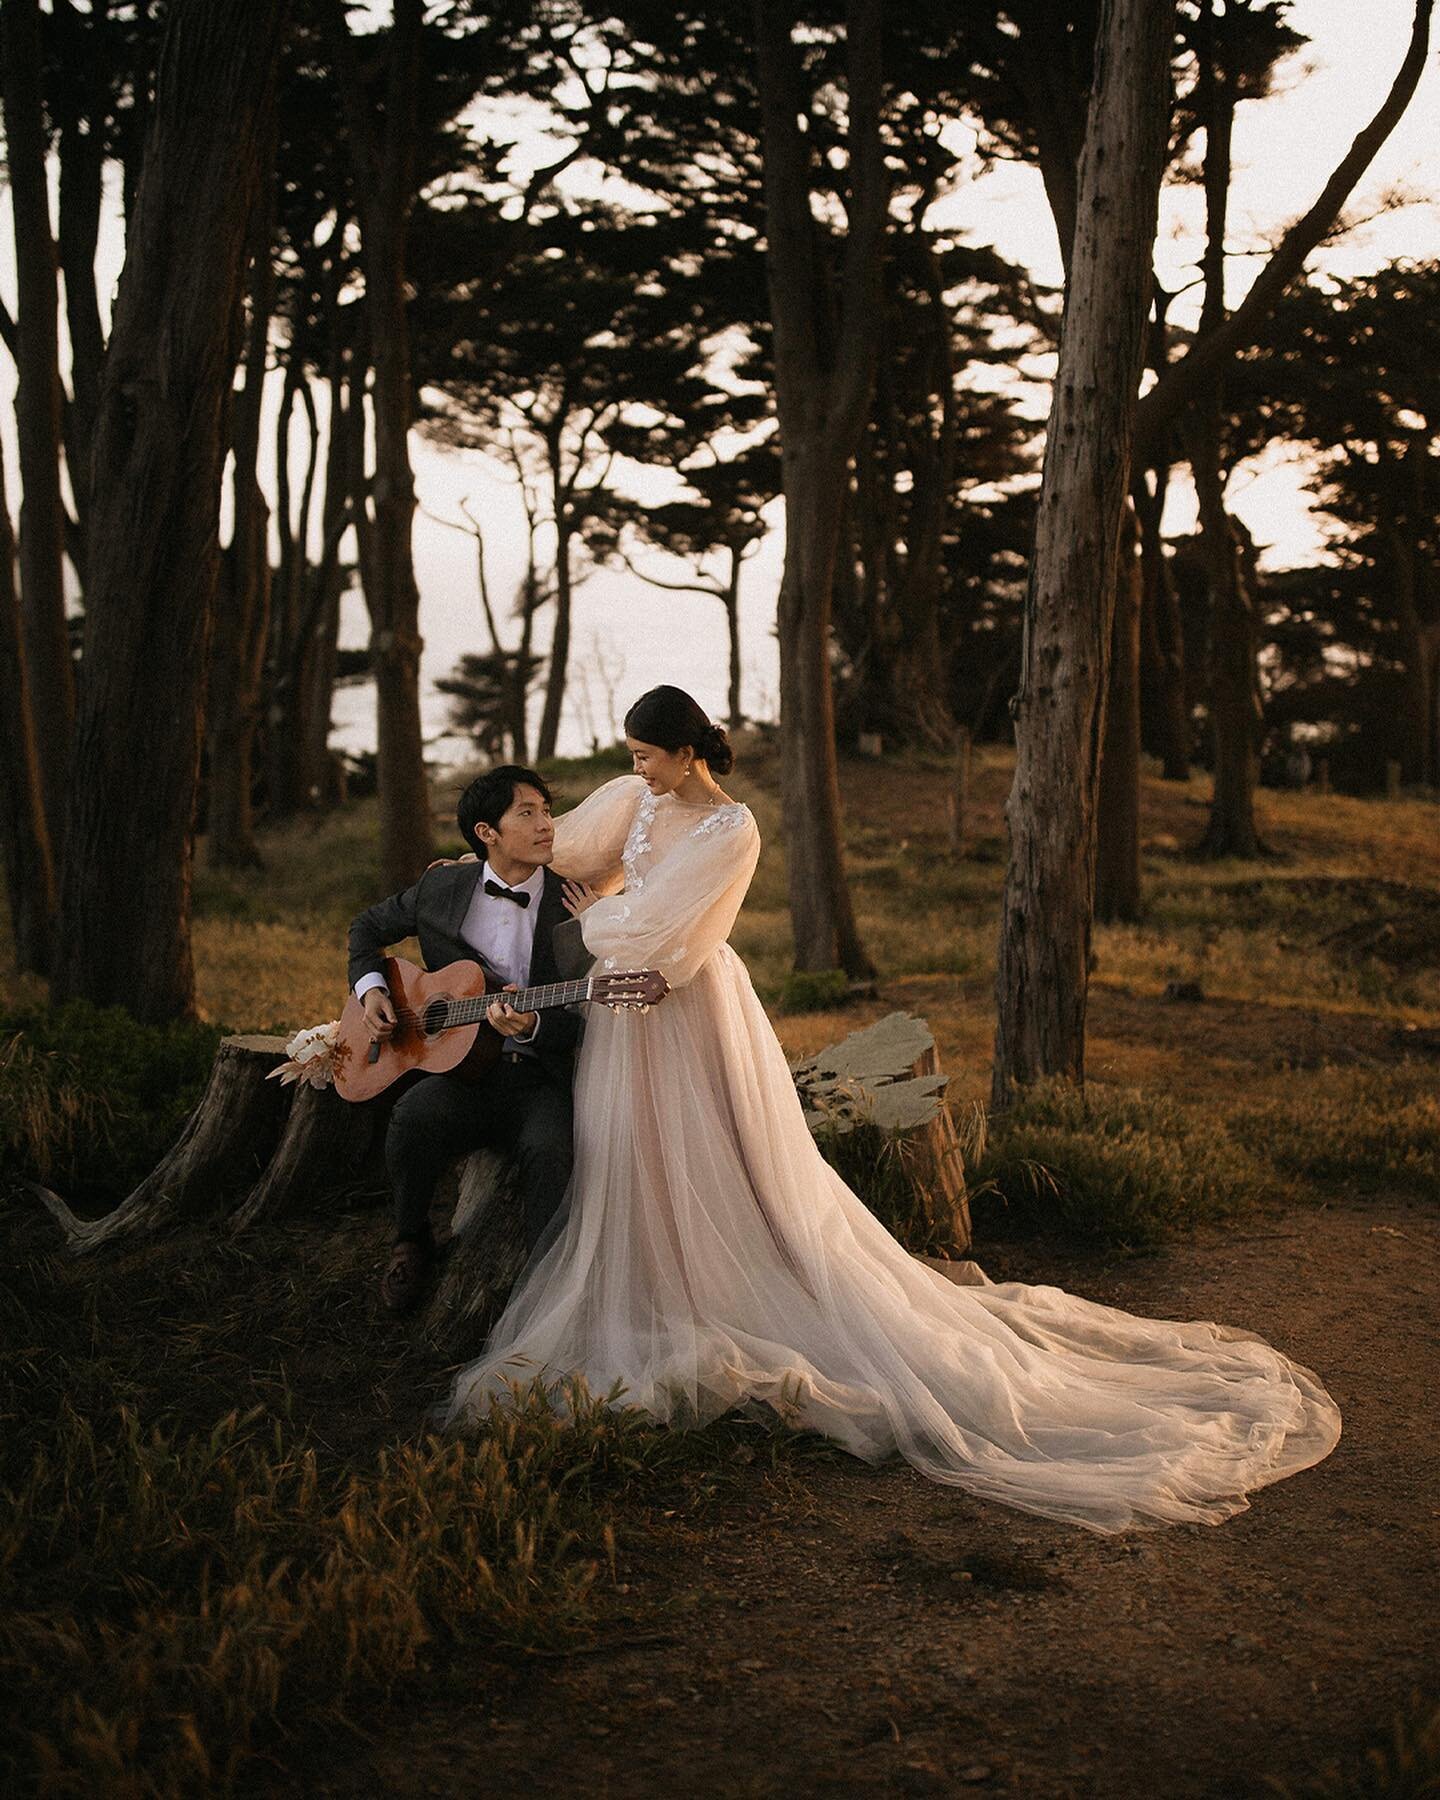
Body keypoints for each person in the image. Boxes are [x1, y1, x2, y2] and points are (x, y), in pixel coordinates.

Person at [439, 688, 1341, 1533]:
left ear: (685, 752)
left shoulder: (731, 827)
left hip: (688, 1007)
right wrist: (503, 869)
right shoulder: (635, 799)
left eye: (647, 757)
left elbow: (661, 936)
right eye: (630, 759)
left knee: (712, 1150)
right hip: (623, 1013)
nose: (634, 773)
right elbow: (565, 853)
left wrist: (600, 918)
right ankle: (661, 1281)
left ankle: (733, 1289)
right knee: (633, 1154)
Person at [348, 766, 580, 1313]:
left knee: (550, 1149)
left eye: (547, 811)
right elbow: (366, 928)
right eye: (527, 813)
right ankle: (411, 1241)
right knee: (410, 1121)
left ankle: (549, 1289)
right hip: (461, 1072)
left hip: (538, 1076)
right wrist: (373, 990)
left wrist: (536, 1025)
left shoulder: (574, 904)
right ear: (486, 833)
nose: (546, 824)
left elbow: (588, 1014)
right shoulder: (442, 887)